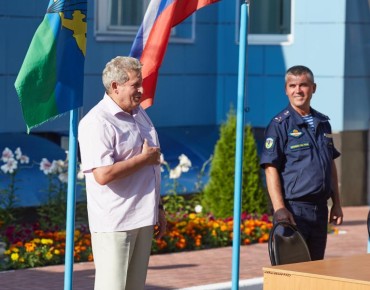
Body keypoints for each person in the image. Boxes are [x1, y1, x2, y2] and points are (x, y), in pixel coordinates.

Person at [78, 56, 167, 290]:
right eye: (135, 85)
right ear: (115, 86)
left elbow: (151, 167)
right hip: (115, 223)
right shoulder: (97, 122)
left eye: (141, 83)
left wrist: (159, 207)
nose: (141, 90)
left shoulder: (139, 114)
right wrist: (144, 159)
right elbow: (103, 175)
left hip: (143, 217)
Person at [260, 65, 343, 260]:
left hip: (320, 210)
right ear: (286, 90)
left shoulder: (323, 123)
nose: (298, 90)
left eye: (303, 85)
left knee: (314, 269)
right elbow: (270, 169)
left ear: (313, 88)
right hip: (293, 211)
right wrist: (280, 208)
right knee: (291, 273)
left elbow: (330, 164)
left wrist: (337, 203)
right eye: (292, 85)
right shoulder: (279, 125)